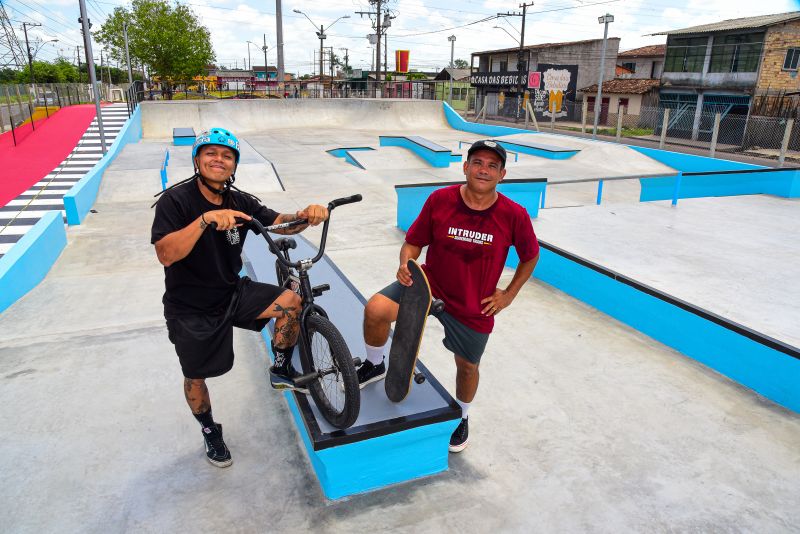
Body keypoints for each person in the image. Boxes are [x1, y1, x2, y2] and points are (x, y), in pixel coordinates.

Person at [150, 127, 328, 468]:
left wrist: (306, 215)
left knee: (290, 302)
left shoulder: (239, 200)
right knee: (196, 375)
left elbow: (278, 224)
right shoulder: (176, 201)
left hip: (232, 291)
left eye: (227, 155)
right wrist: (204, 220)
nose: (219, 160)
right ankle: (209, 429)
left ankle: (280, 368)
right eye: (211, 154)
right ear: (197, 160)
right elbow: (166, 254)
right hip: (190, 307)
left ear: (234, 165)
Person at [358, 140, 539, 453]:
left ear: (502, 174)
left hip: (473, 303)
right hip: (427, 287)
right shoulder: (440, 200)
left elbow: (530, 256)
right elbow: (413, 243)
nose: (484, 170)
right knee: (375, 309)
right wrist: (405, 263)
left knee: (467, 367)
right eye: (478, 162)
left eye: (492, 166)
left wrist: (508, 294)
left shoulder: (514, 215)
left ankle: (461, 415)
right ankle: (375, 364)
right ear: (465, 166)